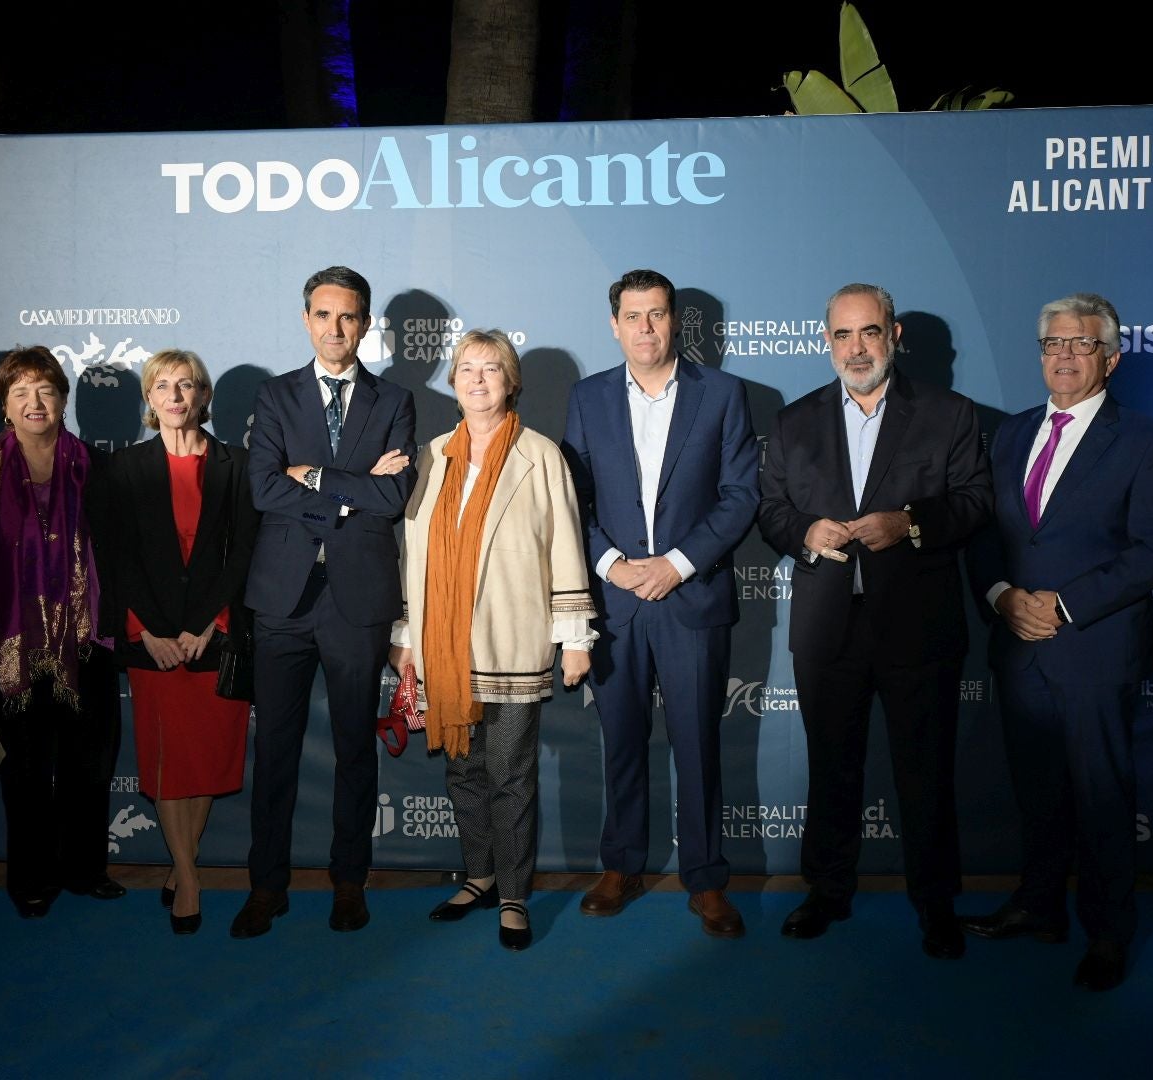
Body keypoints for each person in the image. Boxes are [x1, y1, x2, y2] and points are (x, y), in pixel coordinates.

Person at [758, 283, 992, 959]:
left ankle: (935, 903)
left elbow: (976, 500)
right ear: (826, 342)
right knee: (831, 769)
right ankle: (827, 891)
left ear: (894, 336)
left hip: (918, 625)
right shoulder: (794, 421)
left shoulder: (948, 413)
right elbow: (771, 510)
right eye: (842, 335)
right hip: (828, 627)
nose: (856, 348)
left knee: (926, 772)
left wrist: (909, 523)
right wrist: (804, 532)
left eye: (868, 332)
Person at [962, 293, 1153, 991]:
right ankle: (1039, 905)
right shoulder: (1009, 434)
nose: (1063, 355)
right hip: (1019, 646)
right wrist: (1001, 597)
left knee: (1101, 796)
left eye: (1080, 344)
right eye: (1052, 343)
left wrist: (1063, 605)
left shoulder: (1144, 439)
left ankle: (1109, 933)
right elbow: (985, 534)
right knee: (1036, 791)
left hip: (1094, 647)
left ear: (1110, 359)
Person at [561, 269, 759, 937]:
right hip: (616, 602)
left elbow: (741, 495)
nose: (645, 328)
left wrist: (676, 565)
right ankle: (621, 865)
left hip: (691, 597)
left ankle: (706, 879)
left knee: (698, 743)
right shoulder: (587, 397)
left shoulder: (723, 394)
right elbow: (573, 501)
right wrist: (613, 567)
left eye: (656, 314)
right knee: (621, 739)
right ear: (614, 325)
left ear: (675, 321)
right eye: (632, 316)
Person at [387, 329, 595, 951]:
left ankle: (512, 893)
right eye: (467, 369)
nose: (478, 380)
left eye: (491, 369)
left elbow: (565, 545)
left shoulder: (540, 455)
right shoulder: (431, 456)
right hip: (441, 647)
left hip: (511, 640)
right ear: (452, 382)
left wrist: (575, 637)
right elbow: (412, 553)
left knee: (510, 774)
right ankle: (477, 875)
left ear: (512, 382)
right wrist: (406, 634)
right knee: (463, 773)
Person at [232, 265, 416, 938]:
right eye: (322, 314)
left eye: (348, 316)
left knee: (353, 750)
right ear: (306, 319)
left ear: (365, 324)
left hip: (356, 598)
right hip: (282, 598)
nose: (334, 328)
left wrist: (310, 475)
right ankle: (266, 887)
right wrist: (348, 491)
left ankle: (349, 882)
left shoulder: (395, 401)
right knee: (275, 750)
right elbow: (262, 488)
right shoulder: (275, 395)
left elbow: (392, 497)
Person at [0, 346, 123, 919]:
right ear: (5, 406)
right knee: (25, 772)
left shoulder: (96, 467)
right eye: (20, 392)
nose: (34, 402)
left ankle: (85, 869)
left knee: (89, 766)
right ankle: (31, 878)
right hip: (8, 649)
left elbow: (120, 560)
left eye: (45, 390)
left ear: (63, 400)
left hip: (85, 645)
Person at [106, 348, 258, 935]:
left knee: (204, 760)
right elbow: (114, 559)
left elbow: (244, 553)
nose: (175, 395)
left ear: (204, 396)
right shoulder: (124, 468)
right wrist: (146, 632)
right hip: (153, 641)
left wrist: (212, 625)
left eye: (187, 384)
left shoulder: (236, 464)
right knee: (170, 763)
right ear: (149, 398)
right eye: (163, 385)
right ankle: (189, 878)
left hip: (215, 636)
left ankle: (181, 865)